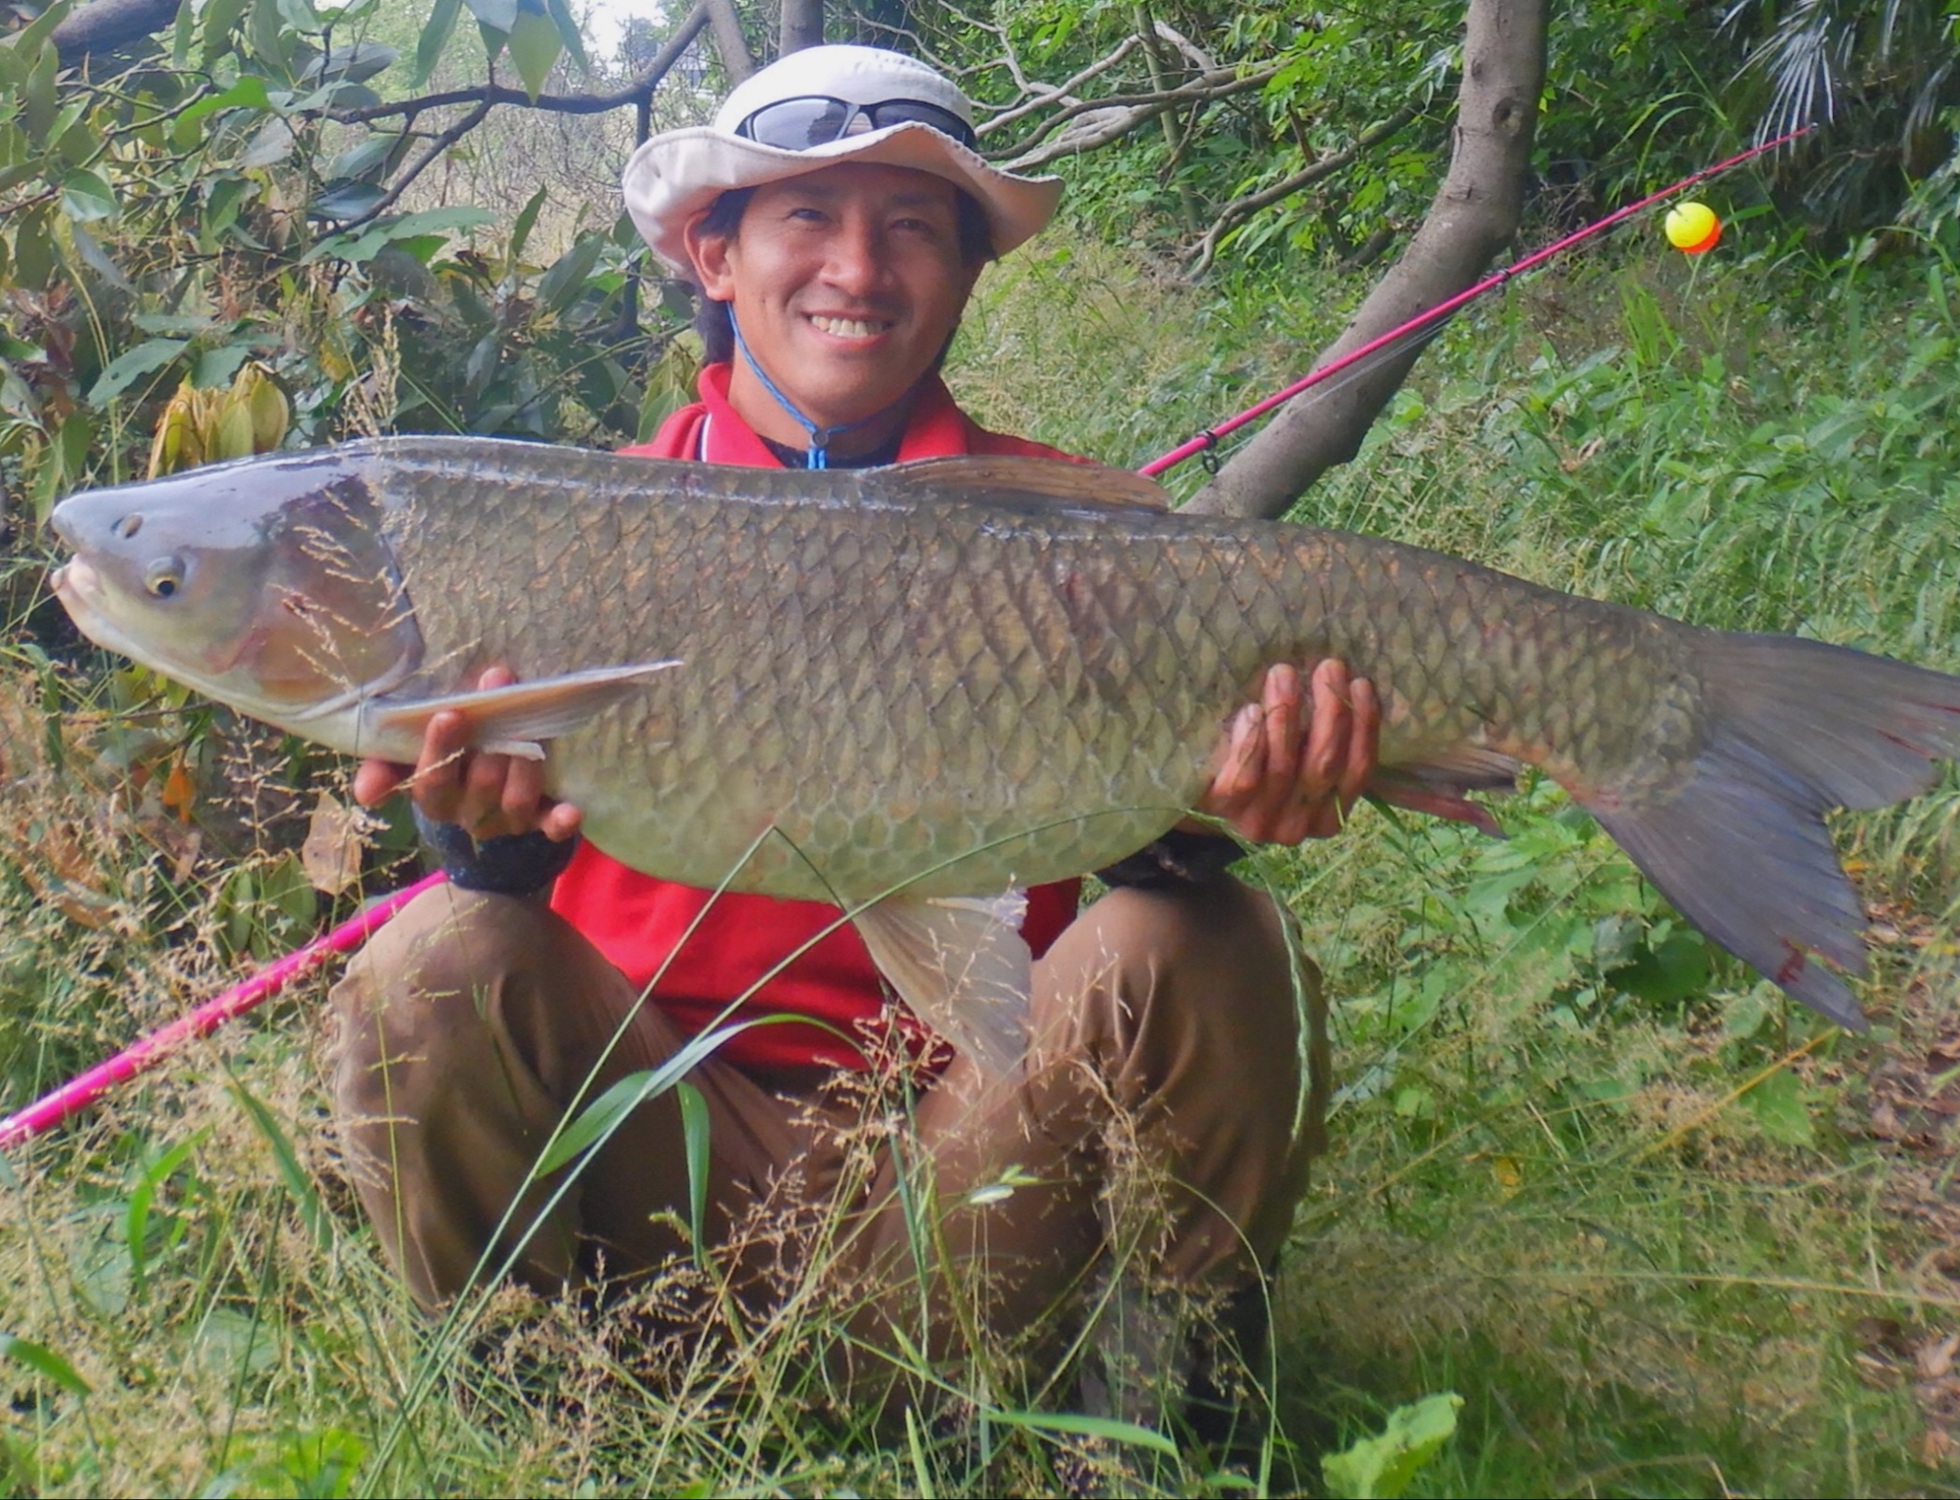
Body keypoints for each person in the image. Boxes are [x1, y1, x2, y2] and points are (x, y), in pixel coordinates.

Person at [332, 43, 1380, 1414]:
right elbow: (500, 905)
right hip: (656, 1170)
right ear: (715, 255)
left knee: (1214, 936)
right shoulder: (572, 534)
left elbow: (1139, 867)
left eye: (912, 229)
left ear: (967, 273)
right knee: (433, 961)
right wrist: (485, 842)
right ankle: (540, 1423)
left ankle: (1170, 1420)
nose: (858, 269)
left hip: (973, 1176)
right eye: (808, 217)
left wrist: (1212, 809)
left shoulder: (1069, 528)